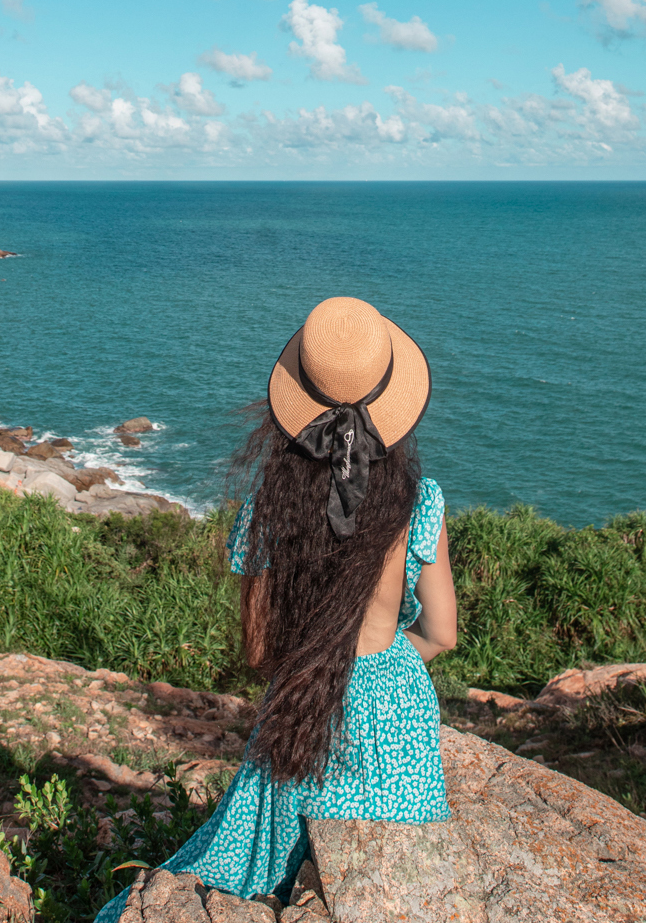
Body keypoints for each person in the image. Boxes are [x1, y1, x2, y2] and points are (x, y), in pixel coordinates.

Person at [95, 296, 456, 921]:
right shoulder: (420, 501)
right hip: (400, 702)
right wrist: (388, 662)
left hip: (303, 710)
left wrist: (317, 665)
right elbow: (443, 633)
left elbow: (261, 651)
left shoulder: (267, 508)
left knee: (247, 872)